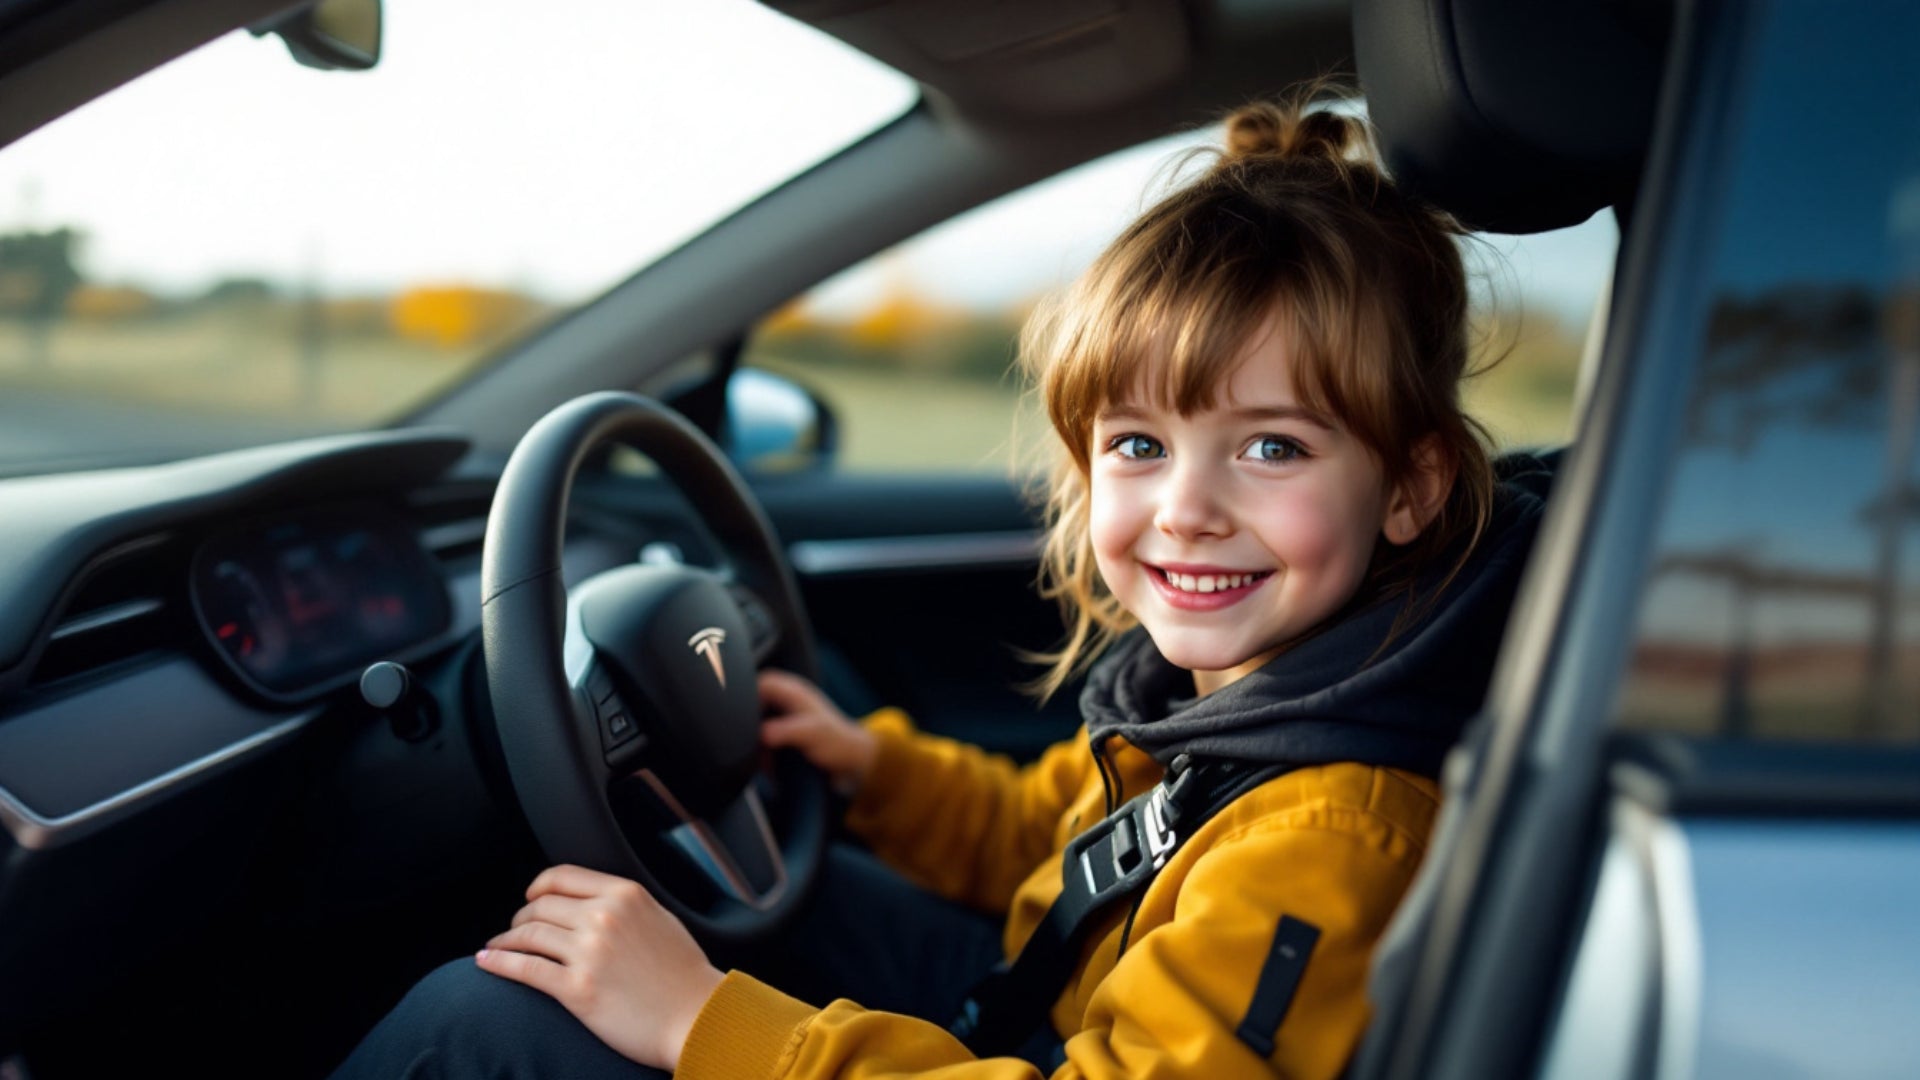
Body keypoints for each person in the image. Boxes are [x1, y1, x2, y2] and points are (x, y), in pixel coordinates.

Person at [330, 86, 1547, 1080]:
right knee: (768, 893)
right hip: (1036, 1002)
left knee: (479, 1029)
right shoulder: (1236, 698)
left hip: (1053, 1047)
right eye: (1139, 444)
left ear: (1410, 487)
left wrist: (710, 1025)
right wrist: (876, 769)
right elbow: (1054, 835)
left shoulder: (1330, 837)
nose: (1186, 505)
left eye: (1272, 446)